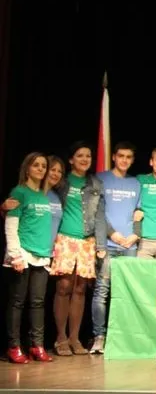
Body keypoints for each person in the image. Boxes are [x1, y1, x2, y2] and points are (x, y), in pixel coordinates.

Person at [49, 141, 107, 357]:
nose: (85, 159)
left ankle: (74, 338)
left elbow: (100, 216)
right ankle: (60, 337)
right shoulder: (61, 181)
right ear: (71, 159)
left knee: (80, 288)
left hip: (87, 241)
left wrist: (101, 244)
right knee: (64, 286)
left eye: (88, 156)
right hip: (64, 239)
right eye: (80, 155)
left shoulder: (95, 183)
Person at [3, 152, 54, 364]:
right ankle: (14, 346)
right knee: (17, 302)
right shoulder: (19, 192)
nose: (41, 169)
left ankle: (37, 345)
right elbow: (11, 225)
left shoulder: (44, 196)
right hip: (22, 254)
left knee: (38, 302)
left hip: (41, 256)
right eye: (36, 165)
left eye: (43, 166)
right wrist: (15, 254)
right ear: (27, 168)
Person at [91, 141, 142, 353]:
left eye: (129, 157)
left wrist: (135, 235)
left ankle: (122, 337)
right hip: (109, 244)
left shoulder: (136, 183)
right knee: (102, 291)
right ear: (114, 157)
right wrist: (114, 234)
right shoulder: (100, 179)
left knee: (127, 292)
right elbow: (97, 212)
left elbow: (139, 213)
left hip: (130, 244)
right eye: (121, 156)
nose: (124, 160)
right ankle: (99, 337)